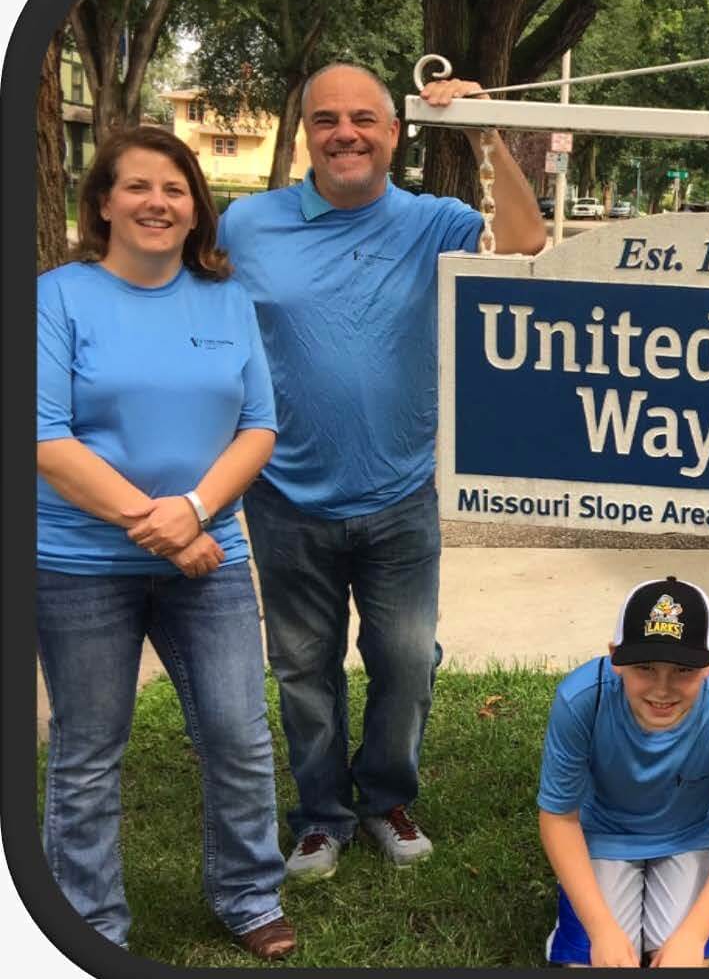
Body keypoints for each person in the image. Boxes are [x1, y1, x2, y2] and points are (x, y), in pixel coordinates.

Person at [220, 63, 547, 880]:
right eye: (326, 119)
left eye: (364, 118)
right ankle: (321, 815)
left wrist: (482, 127)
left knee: (405, 660)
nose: (345, 133)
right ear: (306, 134)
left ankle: (386, 798)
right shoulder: (247, 225)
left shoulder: (431, 220)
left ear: (393, 132)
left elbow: (524, 240)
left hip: (402, 490)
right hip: (284, 494)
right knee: (304, 666)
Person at [36, 127, 294, 959]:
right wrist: (162, 528)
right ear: (103, 203)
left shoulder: (226, 298)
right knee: (85, 752)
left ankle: (250, 895)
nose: (157, 201)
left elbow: (259, 426)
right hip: (78, 564)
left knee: (239, 735)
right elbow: (43, 438)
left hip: (208, 556)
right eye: (138, 186)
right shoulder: (57, 297)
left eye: (175, 188)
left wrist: (193, 509)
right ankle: (90, 925)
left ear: (196, 209)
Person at [538, 576, 709, 967]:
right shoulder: (580, 698)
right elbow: (559, 816)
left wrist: (693, 935)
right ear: (615, 656)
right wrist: (601, 930)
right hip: (604, 833)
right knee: (598, 960)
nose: (662, 688)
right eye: (645, 668)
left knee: (680, 958)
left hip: (693, 834)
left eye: (683, 670)